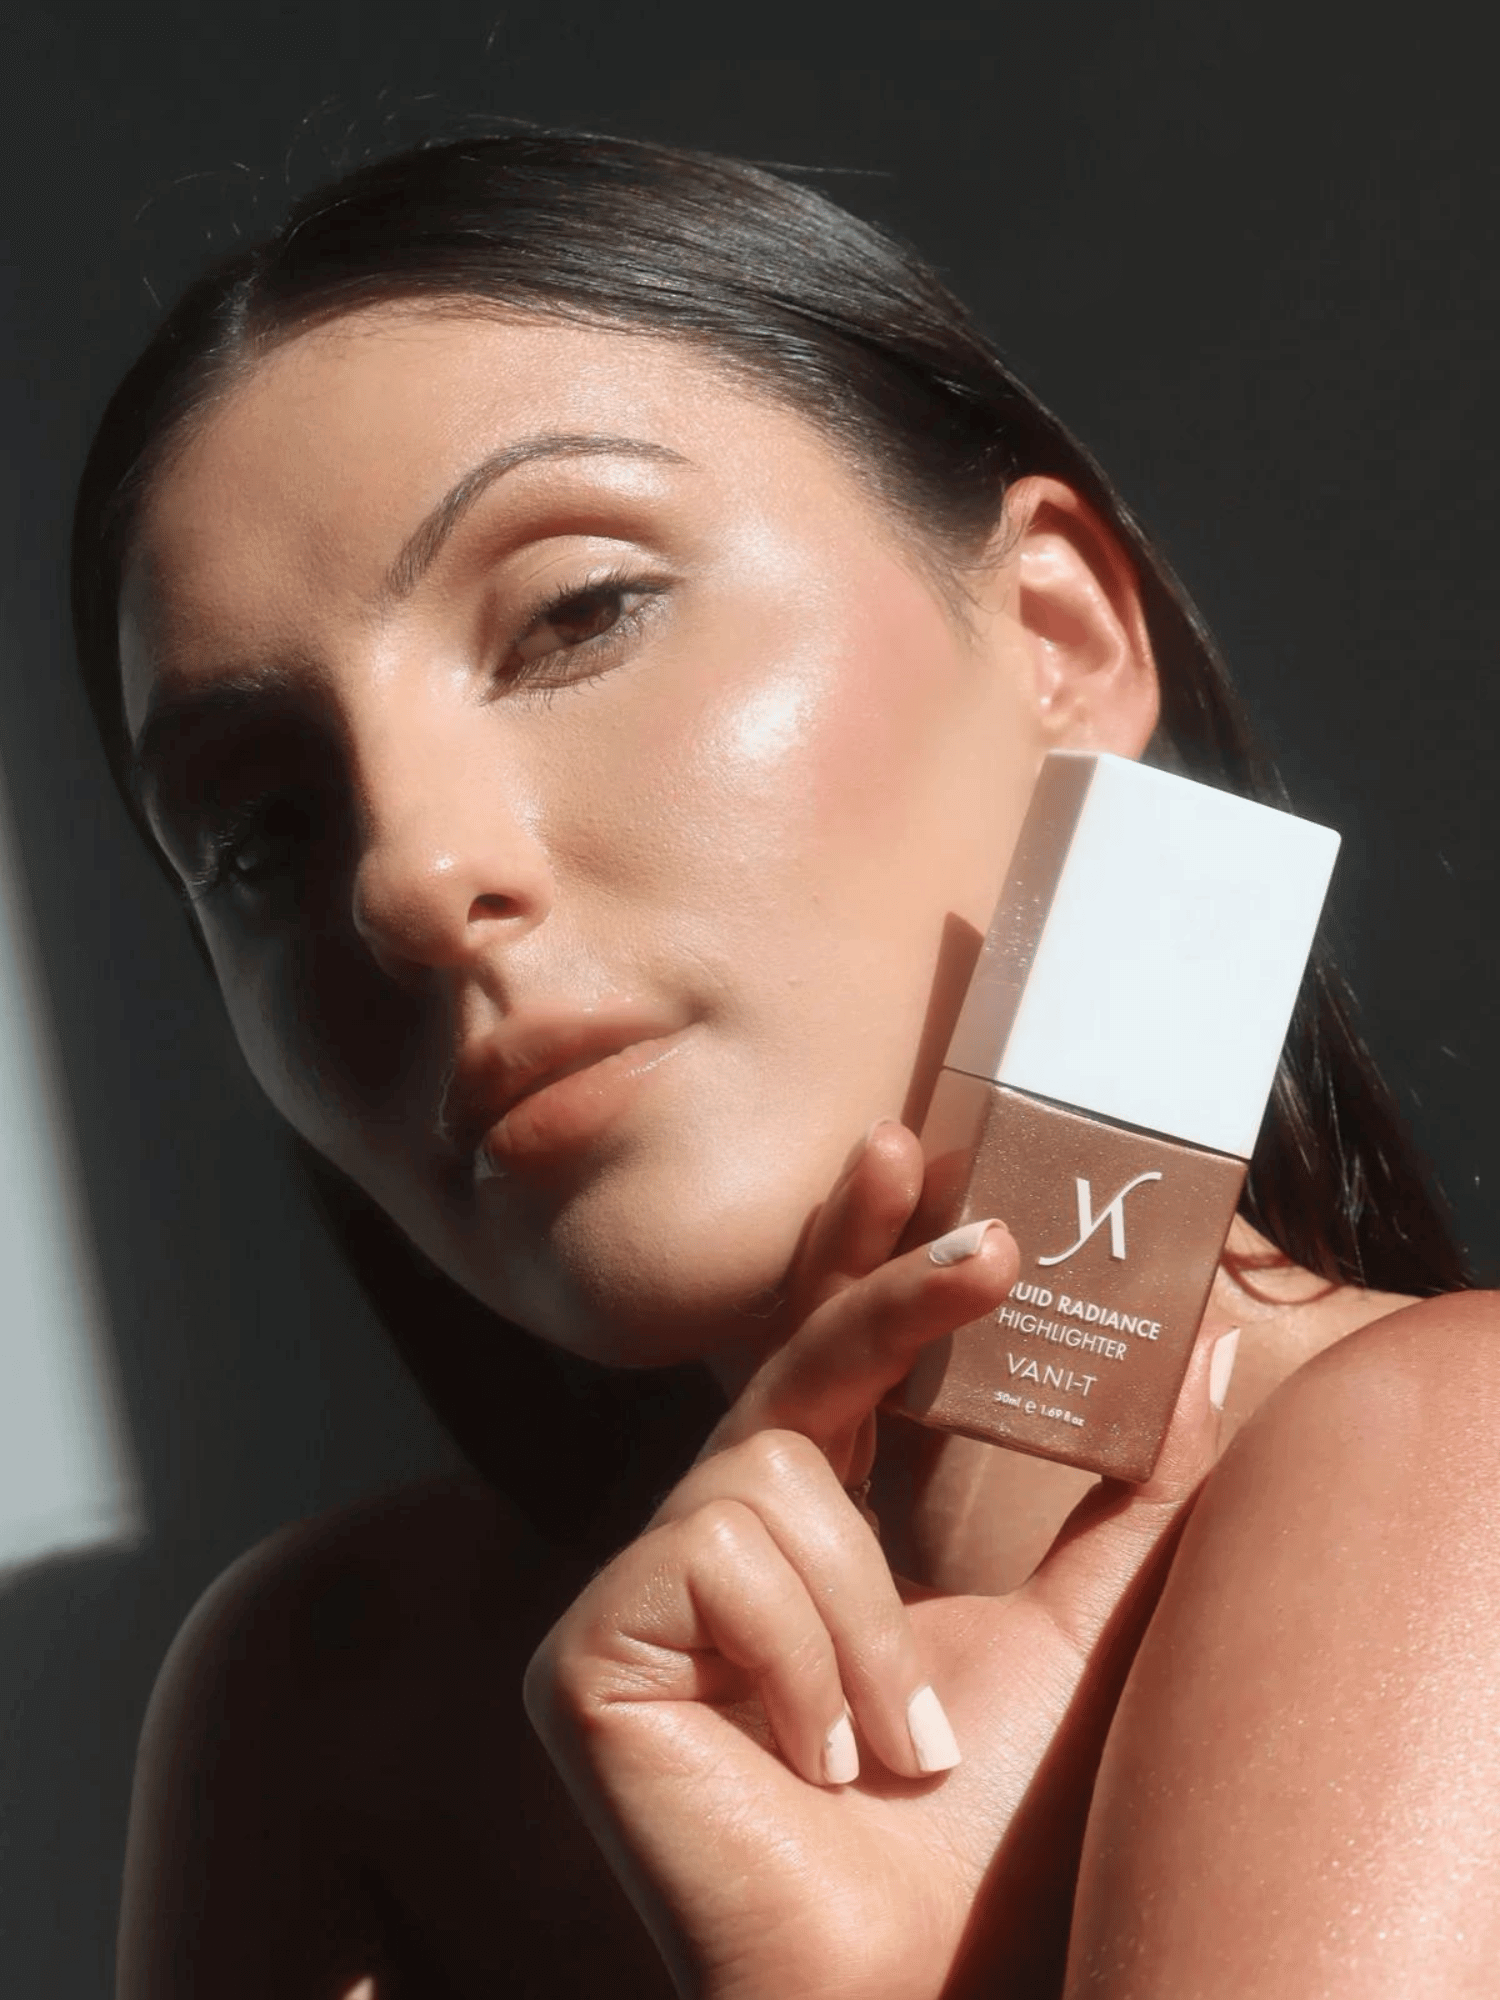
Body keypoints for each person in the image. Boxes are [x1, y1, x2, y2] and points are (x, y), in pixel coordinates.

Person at [73, 128, 1500, 1999]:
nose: (403, 881)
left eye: (579, 612)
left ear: (1058, 637)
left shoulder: (1455, 1463)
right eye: (260, 827)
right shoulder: (333, 1701)